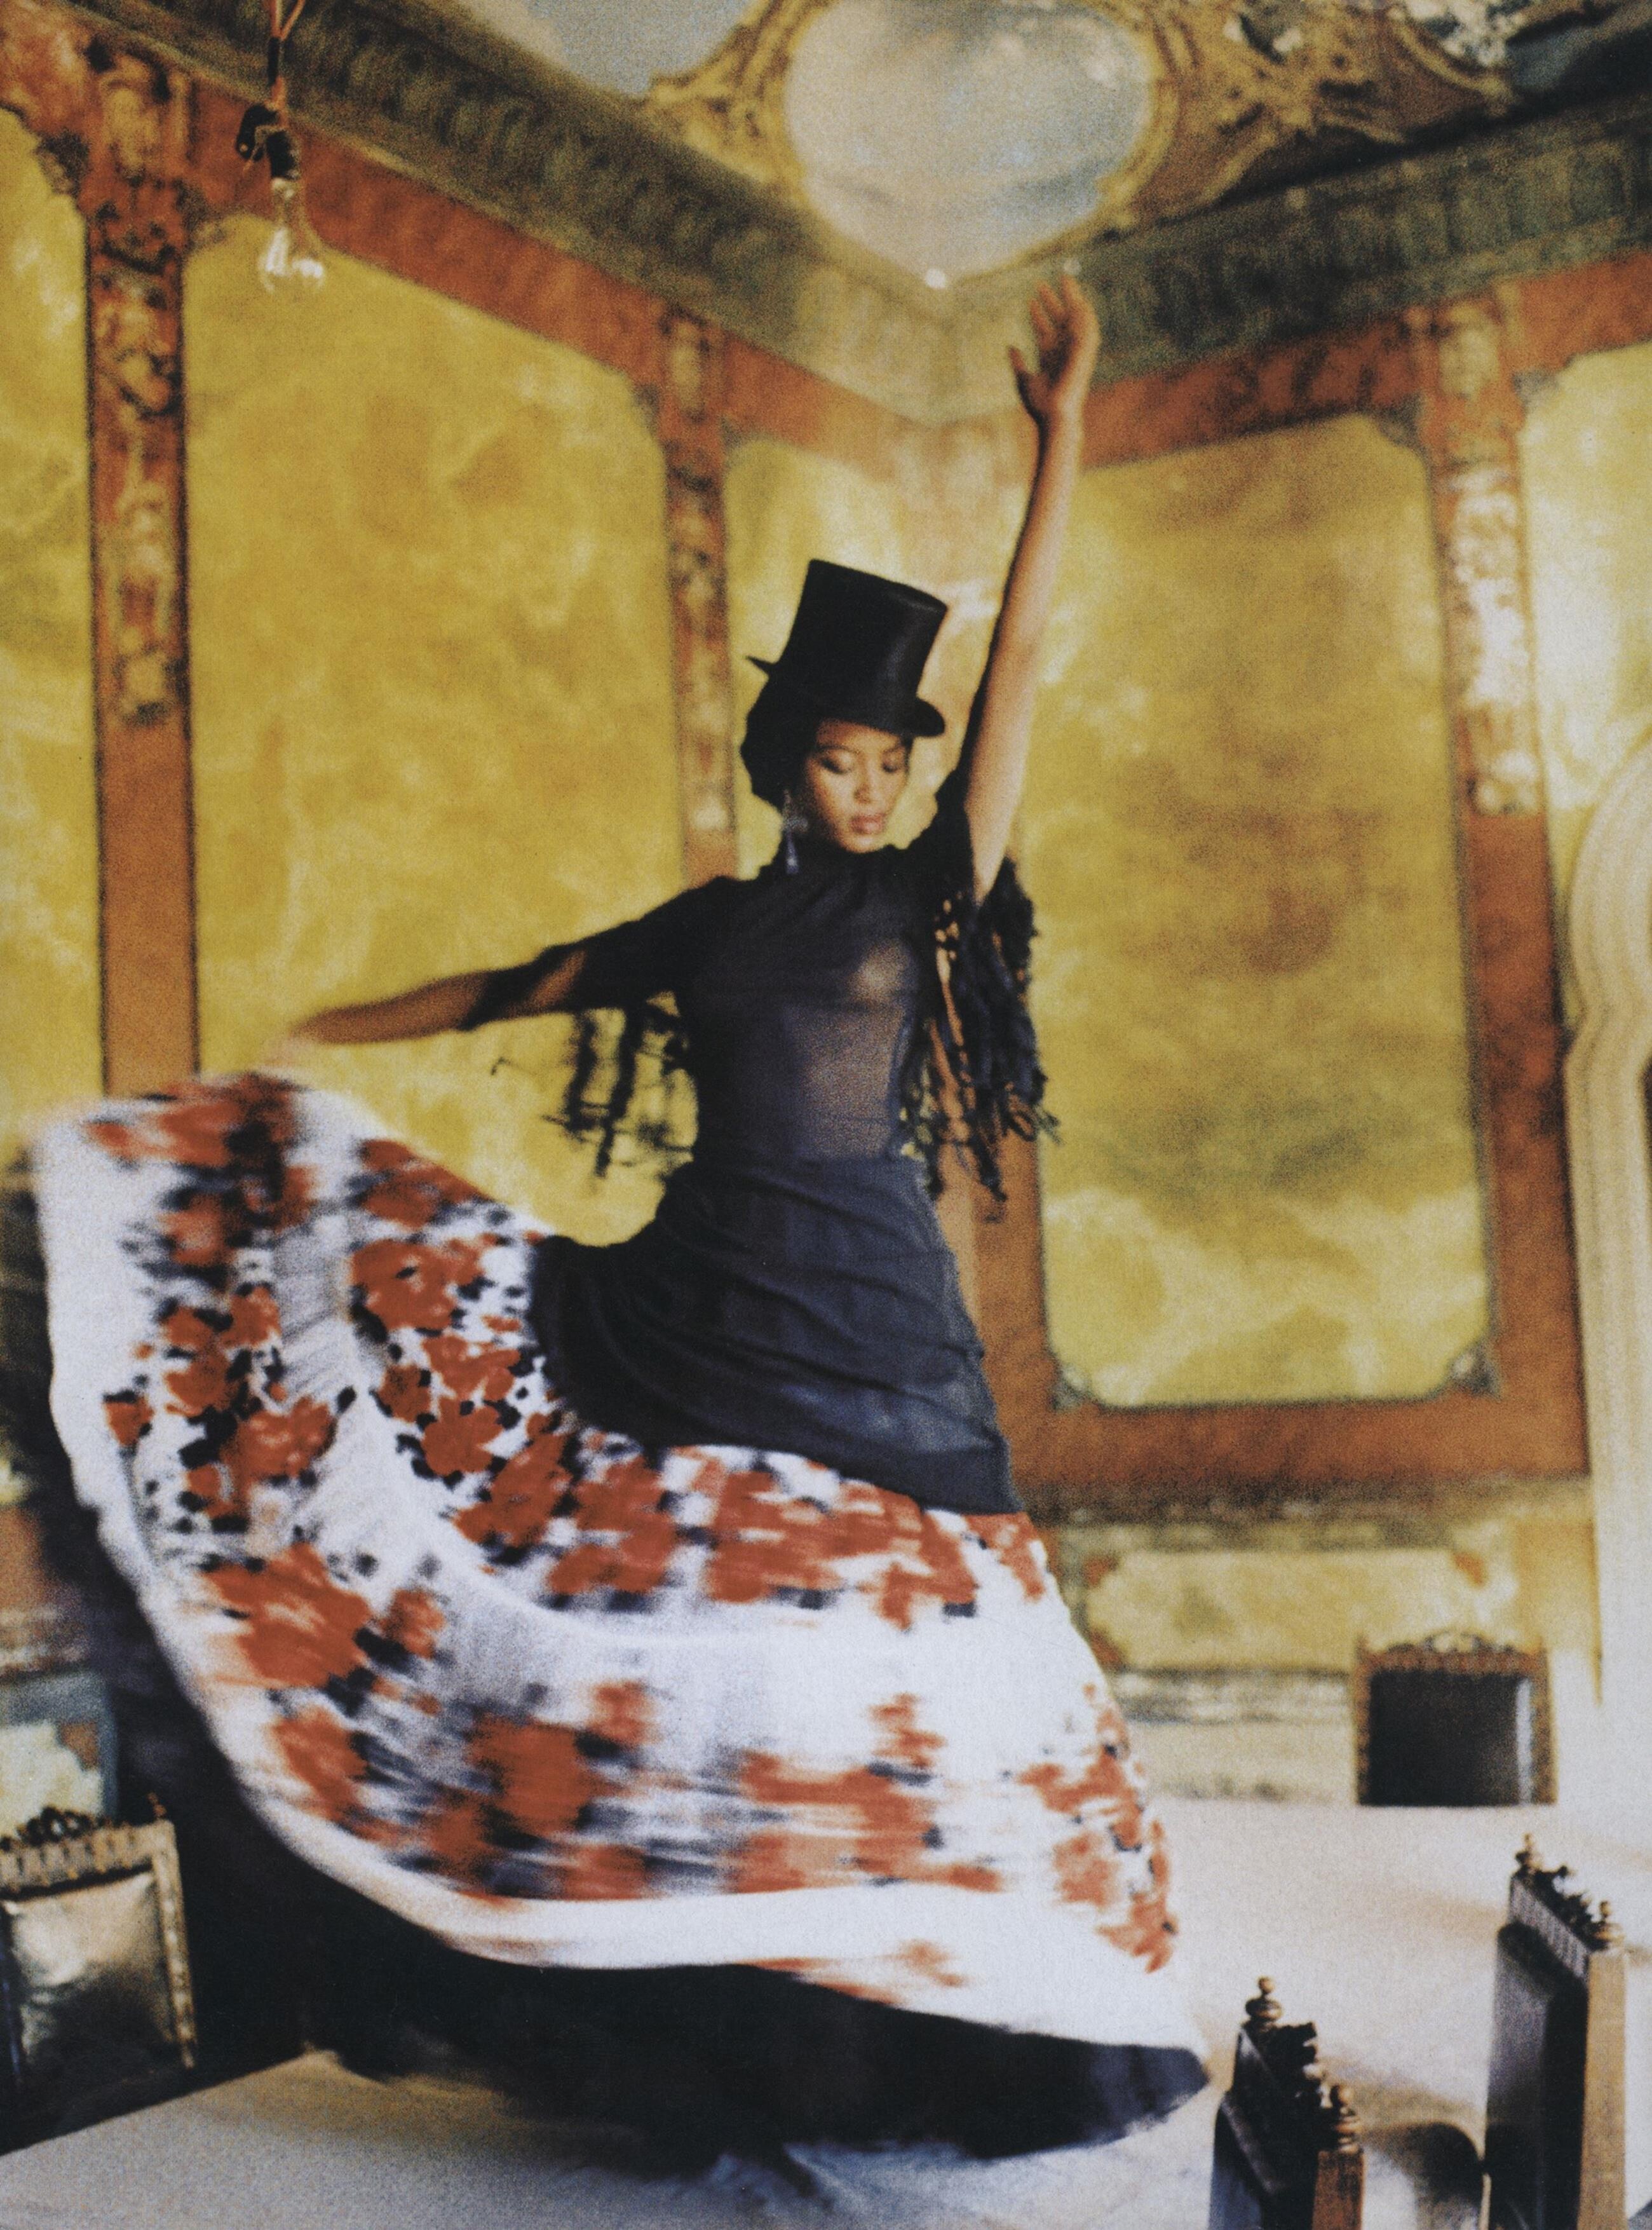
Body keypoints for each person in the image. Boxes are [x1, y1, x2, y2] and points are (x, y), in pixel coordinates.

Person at [27, 277, 1205, 2163]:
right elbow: (527, 983)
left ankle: (924, 2027)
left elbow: (1027, 660)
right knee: (688, 1656)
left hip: (868, 1313)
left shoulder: (921, 896)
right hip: (689, 1306)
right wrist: (330, 1031)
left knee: (898, 1651)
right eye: (842, 755)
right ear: (785, 763)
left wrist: (1063, 434)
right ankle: (709, 2025)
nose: (874, 782)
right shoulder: (713, 926)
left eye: (894, 759)